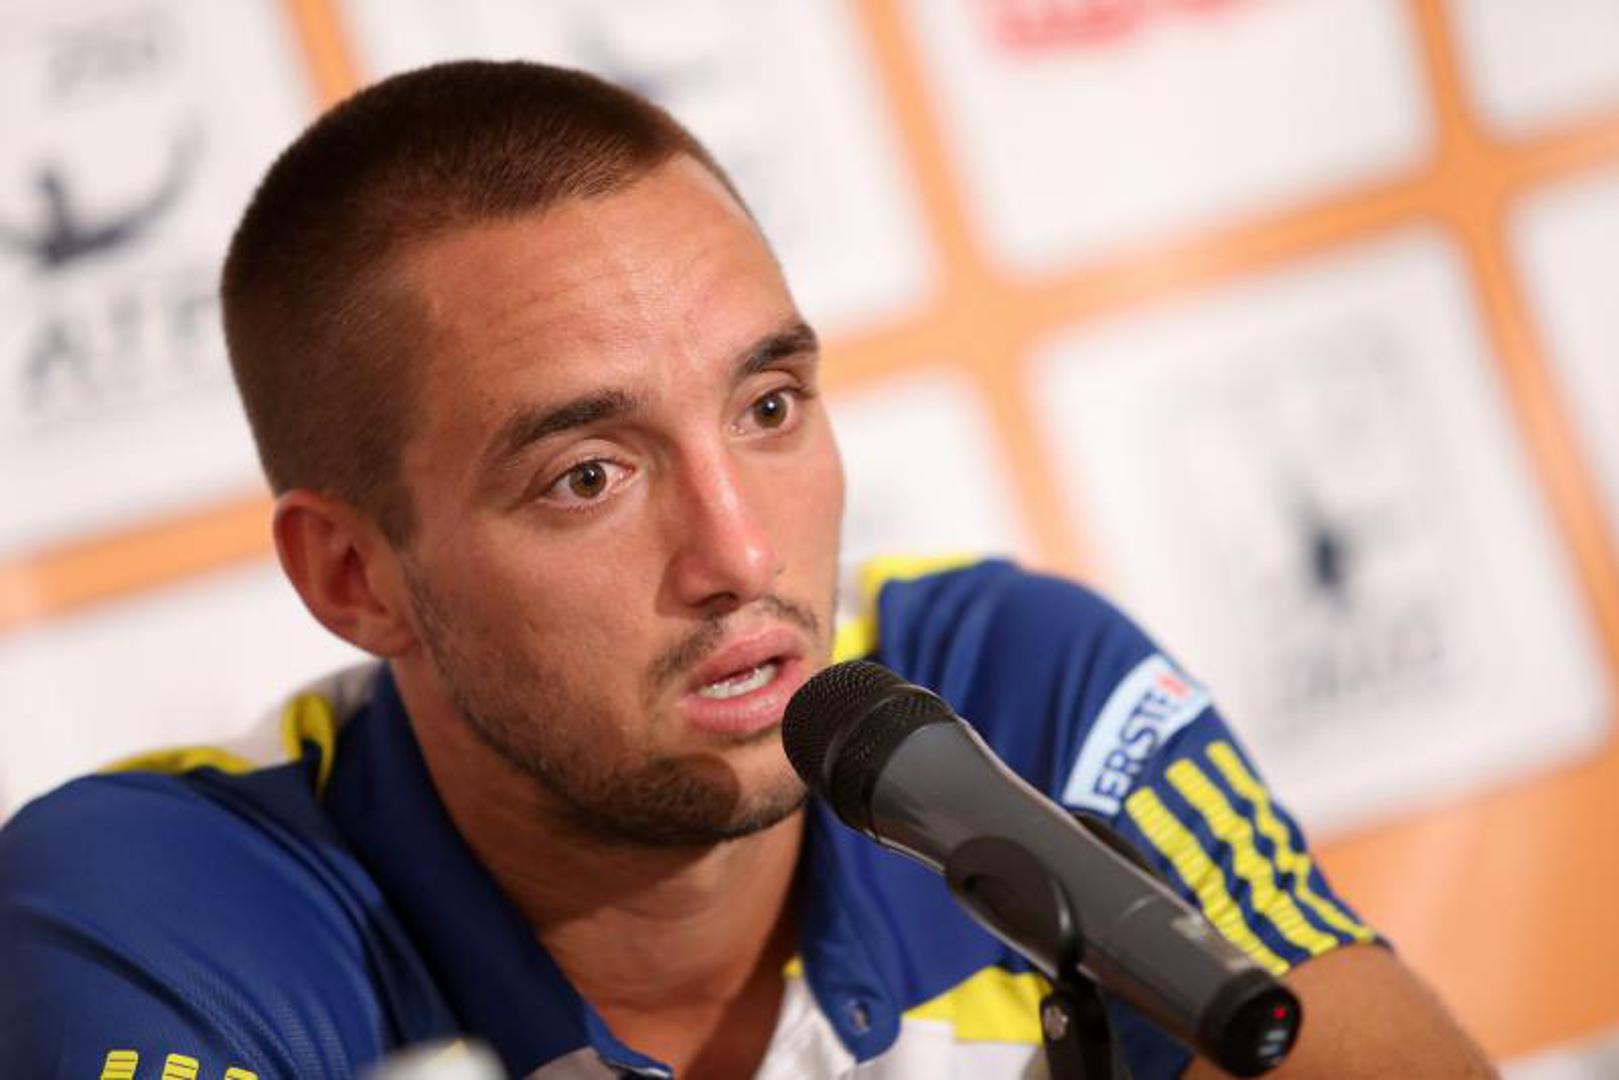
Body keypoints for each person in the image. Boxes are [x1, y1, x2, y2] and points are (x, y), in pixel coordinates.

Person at [0, 61, 1492, 1079]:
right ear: (353, 577)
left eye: (768, 408)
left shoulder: (1005, 689)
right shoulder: (155, 918)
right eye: (589, 476)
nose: (744, 553)